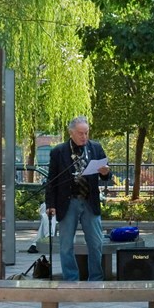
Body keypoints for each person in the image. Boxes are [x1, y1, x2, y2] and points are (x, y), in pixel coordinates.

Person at [46, 117, 113, 281]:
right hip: (68, 202)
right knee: (66, 245)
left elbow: (107, 176)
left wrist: (106, 172)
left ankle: (96, 278)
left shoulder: (96, 148)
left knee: (96, 243)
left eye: (86, 133)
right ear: (71, 133)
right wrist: (50, 204)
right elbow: (51, 180)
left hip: (90, 201)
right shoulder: (59, 151)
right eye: (80, 133)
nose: (84, 137)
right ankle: (71, 278)